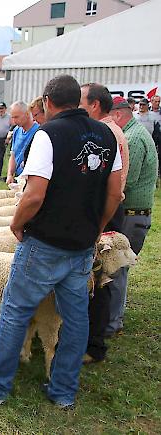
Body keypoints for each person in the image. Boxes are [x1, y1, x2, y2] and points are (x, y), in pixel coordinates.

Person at [0, 75, 122, 409]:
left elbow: (34, 193)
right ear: (77, 102)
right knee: (76, 319)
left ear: (48, 101)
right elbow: (114, 193)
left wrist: (17, 223)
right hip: (80, 247)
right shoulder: (107, 135)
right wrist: (98, 227)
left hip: (45, 243)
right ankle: (63, 391)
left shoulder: (49, 134)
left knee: (16, 311)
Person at [78, 83, 130, 364]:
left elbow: (110, 186)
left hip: (105, 212)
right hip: (108, 209)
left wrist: (96, 222)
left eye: (82, 101)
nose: (78, 106)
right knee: (97, 279)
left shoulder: (105, 133)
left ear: (94, 105)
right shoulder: (109, 131)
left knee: (99, 279)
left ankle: (93, 346)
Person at [107, 96, 158, 337]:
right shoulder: (135, 134)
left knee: (117, 268)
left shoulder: (133, 139)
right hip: (135, 213)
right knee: (118, 268)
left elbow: (127, 181)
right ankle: (112, 318)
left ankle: (112, 322)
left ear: (117, 115)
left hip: (132, 214)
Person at [6, 101, 39, 184]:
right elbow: (13, 155)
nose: (14, 121)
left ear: (27, 114)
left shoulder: (38, 130)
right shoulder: (16, 130)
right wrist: (10, 174)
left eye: (16, 117)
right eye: (12, 117)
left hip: (32, 179)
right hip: (18, 179)